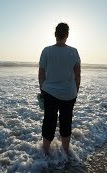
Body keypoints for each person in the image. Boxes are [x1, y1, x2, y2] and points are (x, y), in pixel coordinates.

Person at [38, 22, 81, 155]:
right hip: (69, 93)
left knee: (49, 121)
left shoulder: (46, 50)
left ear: (55, 34)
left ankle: (45, 151)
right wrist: (75, 92)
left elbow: (41, 74)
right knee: (66, 121)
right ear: (67, 35)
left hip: (49, 92)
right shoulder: (73, 52)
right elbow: (77, 76)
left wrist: (43, 90)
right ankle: (66, 150)